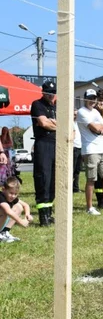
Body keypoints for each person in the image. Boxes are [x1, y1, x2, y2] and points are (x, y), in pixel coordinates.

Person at [76, 89, 103, 215]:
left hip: (100, 150)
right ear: (85, 99)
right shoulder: (81, 112)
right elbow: (96, 128)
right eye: (90, 98)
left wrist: (102, 129)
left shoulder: (96, 111)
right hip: (90, 150)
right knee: (91, 179)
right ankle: (89, 208)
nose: (92, 100)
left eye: (94, 98)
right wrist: (102, 129)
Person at [30, 80, 57, 226]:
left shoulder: (57, 106)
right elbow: (43, 123)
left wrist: (54, 122)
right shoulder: (37, 104)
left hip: (56, 144)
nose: (51, 95)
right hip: (43, 144)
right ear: (43, 92)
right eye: (48, 92)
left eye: (53, 92)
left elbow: (68, 124)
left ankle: (49, 212)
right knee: (43, 179)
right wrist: (57, 123)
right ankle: (43, 216)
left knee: (54, 181)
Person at [0, 176, 32, 243]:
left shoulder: (11, 197)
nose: (13, 196)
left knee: (18, 207)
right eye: (11, 193)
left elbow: (25, 205)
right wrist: (21, 222)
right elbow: (8, 211)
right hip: (5, 211)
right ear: (3, 189)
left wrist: (27, 215)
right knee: (4, 211)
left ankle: (4, 232)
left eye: (15, 194)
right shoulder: (1, 196)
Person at [73, 110, 82, 193]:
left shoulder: (79, 124)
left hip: (80, 148)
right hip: (73, 147)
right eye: (74, 114)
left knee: (77, 170)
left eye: (76, 114)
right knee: (72, 168)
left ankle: (75, 187)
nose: (75, 116)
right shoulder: (70, 123)